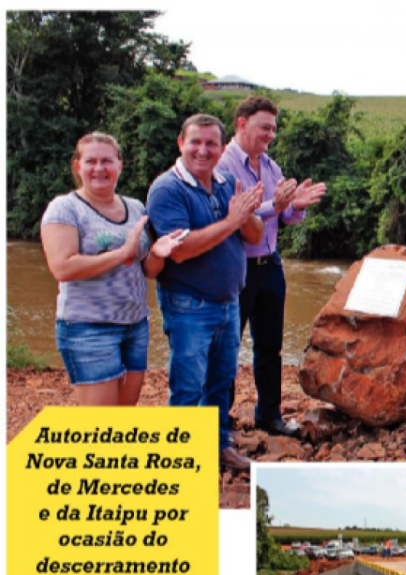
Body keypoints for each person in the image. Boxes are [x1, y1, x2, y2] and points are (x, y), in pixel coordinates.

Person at [146, 114, 265, 471]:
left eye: (211, 143)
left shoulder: (227, 182)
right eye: (195, 142)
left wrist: (245, 214)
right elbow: (180, 250)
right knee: (187, 386)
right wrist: (231, 221)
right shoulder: (167, 189)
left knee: (221, 382)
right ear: (180, 144)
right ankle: (180, 458)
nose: (202, 150)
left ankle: (218, 445)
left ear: (221, 148)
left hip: (229, 302)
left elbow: (255, 235)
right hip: (188, 305)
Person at [40, 132, 182, 406]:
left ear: (120, 165)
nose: (99, 168)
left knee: (123, 417)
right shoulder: (64, 208)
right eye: (90, 161)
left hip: (134, 325)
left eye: (106, 161)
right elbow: (62, 267)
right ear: (77, 166)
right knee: (103, 422)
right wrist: (122, 253)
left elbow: (149, 271)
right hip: (87, 328)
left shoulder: (136, 207)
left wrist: (157, 253)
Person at [216, 96, 326, 437]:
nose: (270, 135)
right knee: (227, 347)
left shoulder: (271, 166)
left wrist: (296, 206)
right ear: (241, 124)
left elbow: (284, 217)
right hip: (235, 267)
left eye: (273, 129)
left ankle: (269, 415)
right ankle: (221, 420)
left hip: (271, 266)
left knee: (269, 347)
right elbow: (234, 215)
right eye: (265, 127)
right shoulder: (222, 165)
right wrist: (273, 205)